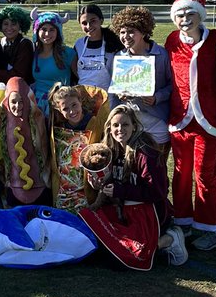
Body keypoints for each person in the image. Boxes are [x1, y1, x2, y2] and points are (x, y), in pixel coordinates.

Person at [78, 105, 187, 270]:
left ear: (134, 126)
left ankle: (170, 238)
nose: (120, 129)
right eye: (115, 125)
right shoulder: (110, 150)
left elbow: (157, 192)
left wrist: (120, 190)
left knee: (132, 257)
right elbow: (112, 183)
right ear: (109, 128)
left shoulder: (146, 152)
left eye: (125, 124)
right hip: (122, 210)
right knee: (93, 230)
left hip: (148, 212)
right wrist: (99, 185)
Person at [165, 0, 216, 251]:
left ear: (200, 16)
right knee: (180, 173)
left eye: (190, 14)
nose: (185, 19)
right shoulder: (171, 41)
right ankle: (183, 222)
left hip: (208, 119)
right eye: (180, 14)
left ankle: (210, 227)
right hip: (179, 119)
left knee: (205, 173)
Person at [109, 6, 172, 155]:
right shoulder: (119, 57)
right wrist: (118, 97)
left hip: (156, 121)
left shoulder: (161, 54)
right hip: (129, 123)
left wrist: (157, 97)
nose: (126, 36)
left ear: (143, 32)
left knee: (157, 167)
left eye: (131, 31)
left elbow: (172, 85)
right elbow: (113, 88)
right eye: (122, 32)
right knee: (132, 168)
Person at [47, 83, 109, 212]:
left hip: (87, 187)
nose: (71, 111)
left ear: (80, 101)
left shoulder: (94, 123)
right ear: (59, 110)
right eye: (65, 109)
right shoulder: (57, 128)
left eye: (74, 105)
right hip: (63, 190)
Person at [0, 76, 51, 206]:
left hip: (40, 185)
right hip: (14, 186)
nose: (17, 106)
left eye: (21, 102)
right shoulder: (2, 123)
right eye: (13, 102)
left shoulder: (39, 120)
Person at [31, 12, 77, 113]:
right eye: (44, 29)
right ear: (36, 31)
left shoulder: (68, 53)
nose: (47, 34)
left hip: (60, 104)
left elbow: (80, 78)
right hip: (36, 103)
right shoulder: (33, 53)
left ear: (58, 32)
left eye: (52, 30)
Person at [73, 4, 122, 91]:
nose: (88, 26)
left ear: (101, 21)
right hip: (83, 98)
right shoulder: (79, 44)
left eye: (93, 21)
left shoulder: (115, 43)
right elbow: (74, 68)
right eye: (84, 23)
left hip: (108, 98)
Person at [0, 5, 34, 84]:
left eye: (13, 24)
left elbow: (19, 74)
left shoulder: (25, 44)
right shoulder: (0, 42)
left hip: (21, 88)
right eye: (5, 24)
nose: (9, 28)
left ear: (20, 26)